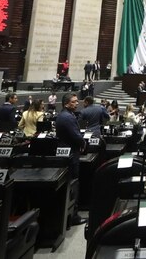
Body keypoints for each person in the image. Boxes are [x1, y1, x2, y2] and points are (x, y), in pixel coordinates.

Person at [55, 93, 87, 226]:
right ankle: (73, 216)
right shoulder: (68, 117)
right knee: (74, 183)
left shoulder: (63, 115)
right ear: (67, 103)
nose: (77, 103)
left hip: (65, 152)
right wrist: (83, 143)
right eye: (74, 102)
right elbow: (76, 136)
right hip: (71, 154)